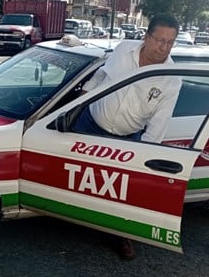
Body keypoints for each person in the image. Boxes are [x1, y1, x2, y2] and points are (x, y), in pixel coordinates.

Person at [73, 13, 181, 260]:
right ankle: (70, 215)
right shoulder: (123, 50)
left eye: (170, 42)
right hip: (89, 123)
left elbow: (158, 124)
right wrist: (79, 102)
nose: (163, 47)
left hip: (126, 137)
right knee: (77, 175)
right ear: (146, 36)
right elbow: (101, 76)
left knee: (124, 190)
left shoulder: (172, 79)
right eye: (159, 40)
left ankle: (123, 235)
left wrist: (144, 156)